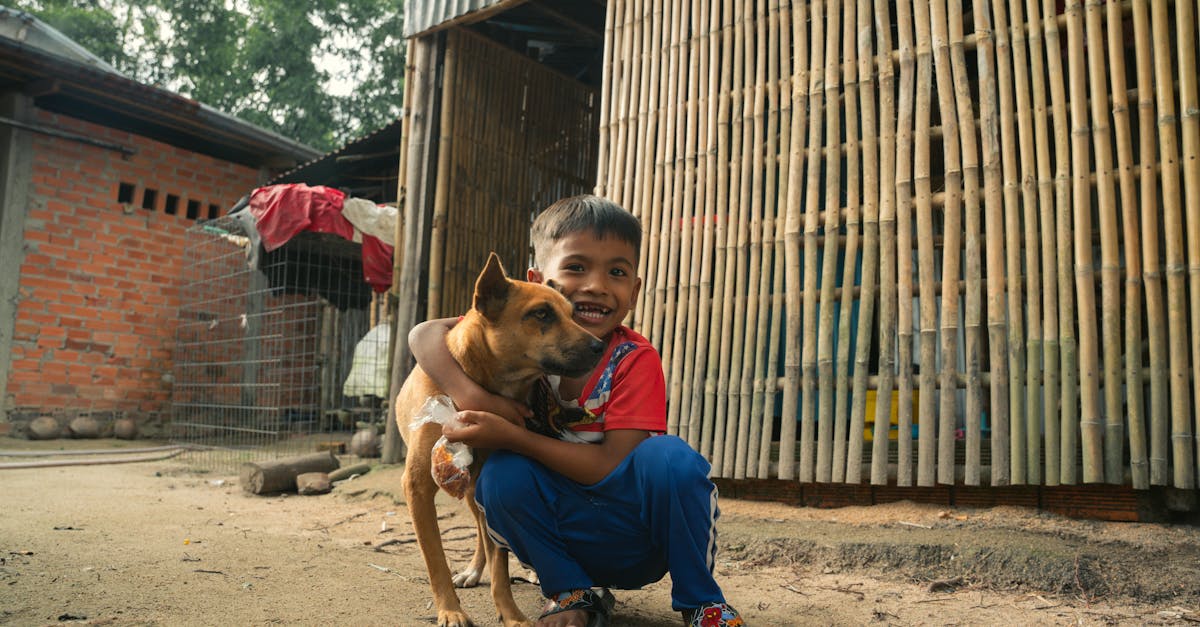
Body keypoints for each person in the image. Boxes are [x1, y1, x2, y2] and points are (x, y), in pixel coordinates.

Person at [408, 195, 744, 627]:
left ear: (634, 290)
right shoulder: (526, 341)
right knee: (501, 476)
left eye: (617, 272)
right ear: (538, 283)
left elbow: (605, 464)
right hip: (563, 539)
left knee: (671, 459)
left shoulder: (633, 359)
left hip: (637, 539)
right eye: (576, 267)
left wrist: (511, 435)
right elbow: (424, 333)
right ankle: (572, 591)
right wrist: (478, 399)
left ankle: (701, 600)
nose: (596, 285)